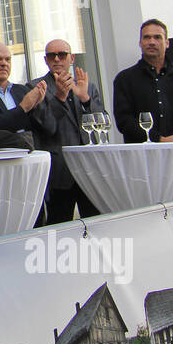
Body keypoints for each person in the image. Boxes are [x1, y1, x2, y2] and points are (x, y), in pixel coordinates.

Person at [30, 38, 103, 224]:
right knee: (59, 227)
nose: (57, 59)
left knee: (96, 225)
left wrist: (85, 98)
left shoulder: (87, 85)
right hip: (60, 171)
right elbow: (46, 126)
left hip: (90, 169)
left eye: (62, 54)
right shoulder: (36, 87)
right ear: (45, 60)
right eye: (51, 55)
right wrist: (60, 98)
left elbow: (103, 123)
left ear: (71, 58)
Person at [113, 19, 173, 143]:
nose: (152, 42)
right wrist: (158, 139)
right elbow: (124, 120)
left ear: (167, 43)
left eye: (157, 37)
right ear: (140, 43)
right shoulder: (124, 79)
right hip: (143, 156)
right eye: (147, 37)